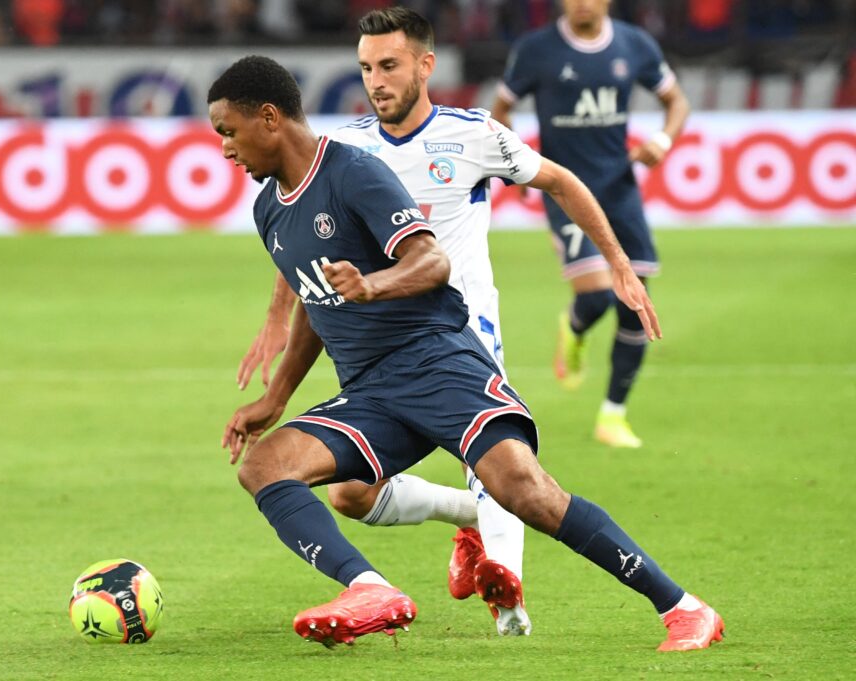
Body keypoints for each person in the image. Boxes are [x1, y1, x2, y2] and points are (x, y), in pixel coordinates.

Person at [209, 53, 723, 651]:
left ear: (269, 118)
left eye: (228, 131)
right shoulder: (268, 208)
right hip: (371, 393)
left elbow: (431, 260)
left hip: (437, 363)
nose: (225, 149)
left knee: (525, 492)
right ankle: (370, 590)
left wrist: (372, 284)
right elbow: (316, 304)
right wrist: (275, 398)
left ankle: (684, 607)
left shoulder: (353, 172)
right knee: (264, 467)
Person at [492, 0, 691, 448]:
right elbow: (500, 110)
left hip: (619, 190)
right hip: (565, 189)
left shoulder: (635, 44)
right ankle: (575, 327)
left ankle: (613, 416)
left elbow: (676, 101)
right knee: (598, 295)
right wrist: (514, 164)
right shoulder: (536, 49)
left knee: (635, 303)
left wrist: (662, 140)